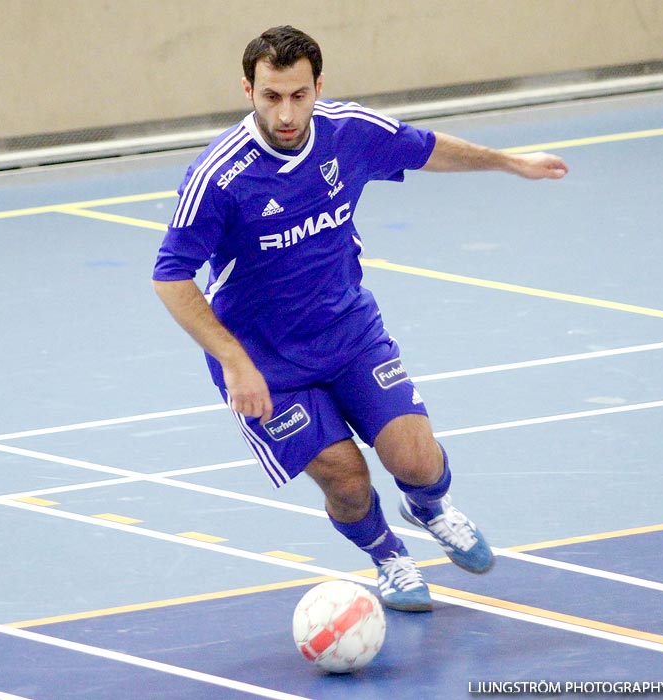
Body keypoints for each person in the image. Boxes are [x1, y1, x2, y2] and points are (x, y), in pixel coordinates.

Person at [152, 25, 568, 612]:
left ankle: (429, 507)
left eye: (299, 95)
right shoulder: (218, 177)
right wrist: (234, 361)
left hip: (350, 333)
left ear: (318, 86)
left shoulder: (348, 133)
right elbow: (170, 276)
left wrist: (510, 162)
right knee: (347, 482)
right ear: (248, 90)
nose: (287, 111)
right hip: (267, 364)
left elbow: (426, 148)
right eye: (271, 96)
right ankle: (389, 557)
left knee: (417, 460)